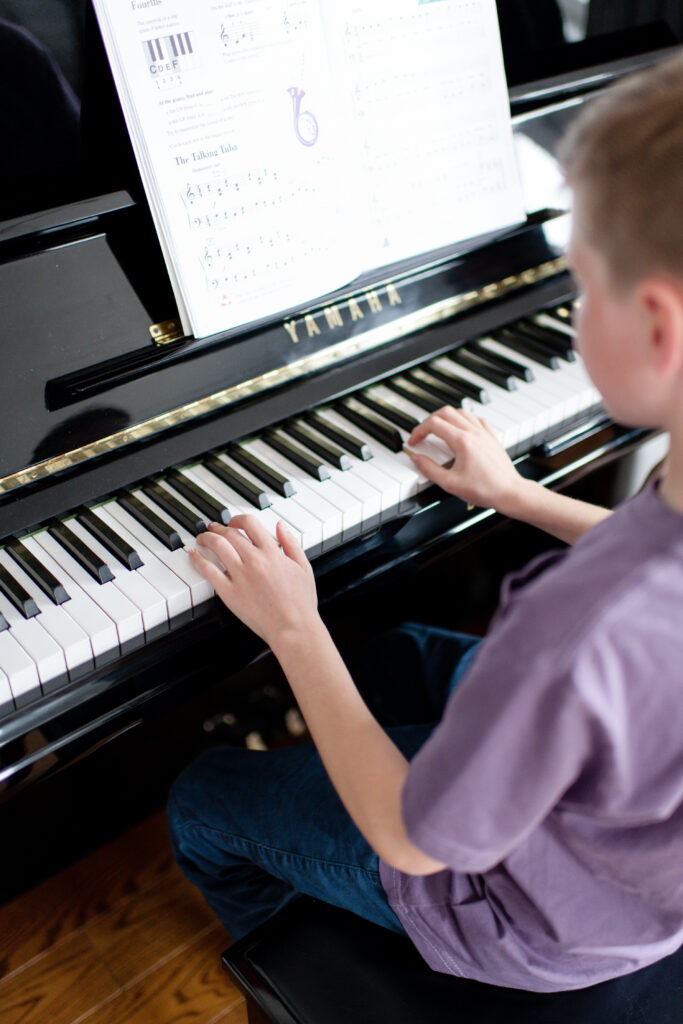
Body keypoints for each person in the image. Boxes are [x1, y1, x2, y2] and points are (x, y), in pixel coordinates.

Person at [167, 51, 683, 992]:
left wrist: (292, 626)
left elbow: (409, 838)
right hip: (644, 864)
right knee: (398, 649)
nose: (570, 311)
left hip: (523, 917)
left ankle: (310, 956)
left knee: (201, 799)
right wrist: (518, 495)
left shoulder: (575, 626)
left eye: (576, 284)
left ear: (657, 323)